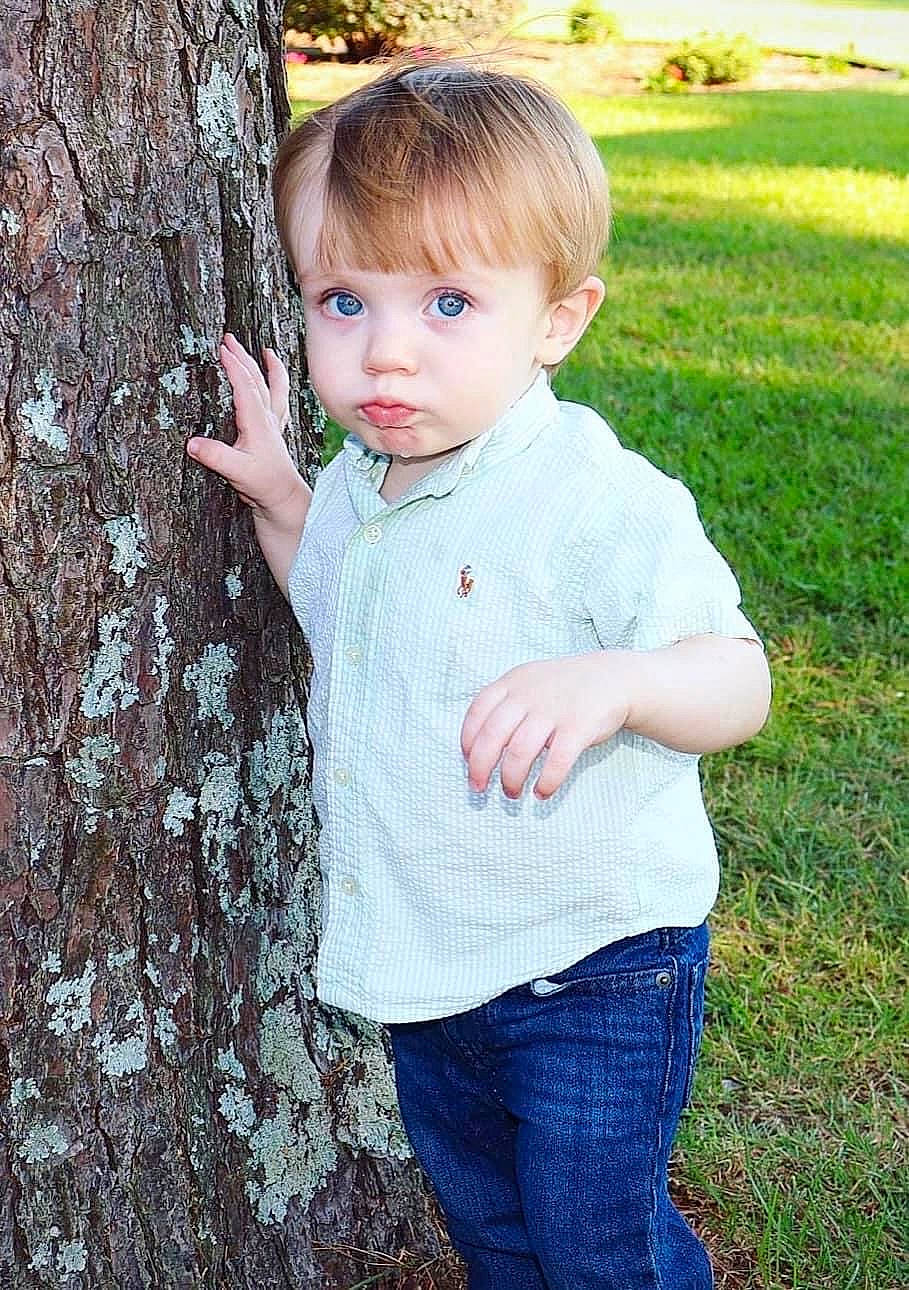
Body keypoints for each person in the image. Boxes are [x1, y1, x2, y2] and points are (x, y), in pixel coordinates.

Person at [185, 57, 771, 1290]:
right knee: (494, 1233)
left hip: (594, 966)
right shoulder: (358, 484)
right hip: (430, 961)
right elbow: (336, 603)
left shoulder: (592, 497)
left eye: (448, 304)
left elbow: (736, 680)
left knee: (594, 1242)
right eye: (344, 301)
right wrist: (285, 496)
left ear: (560, 317)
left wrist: (612, 680)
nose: (387, 357)